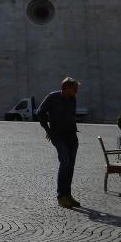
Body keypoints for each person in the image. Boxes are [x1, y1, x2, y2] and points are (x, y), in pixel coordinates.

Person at [38, 77, 81, 209]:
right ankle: (61, 196)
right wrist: (48, 130)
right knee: (65, 162)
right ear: (66, 88)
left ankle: (68, 194)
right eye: (75, 89)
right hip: (58, 136)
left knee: (70, 166)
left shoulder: (73, 99)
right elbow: (40, 112)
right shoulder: (52, 97)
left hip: (72, 136)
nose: (77, 91)